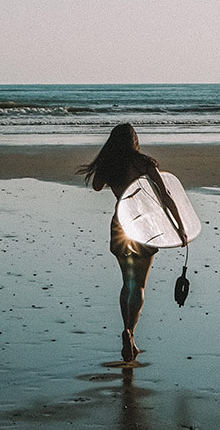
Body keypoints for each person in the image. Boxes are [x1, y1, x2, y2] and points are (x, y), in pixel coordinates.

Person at [77, 124, 186, 362]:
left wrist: (106, 163)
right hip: (143, 228)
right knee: (139, 285)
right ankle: (130, 331)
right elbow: (166, 195)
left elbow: (96, 186)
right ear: (134, 141)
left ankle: (128, 332)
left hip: (120, 225)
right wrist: (180, 226)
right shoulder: (144, 162)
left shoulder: (111, 165)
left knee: (127, 282)